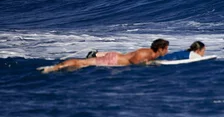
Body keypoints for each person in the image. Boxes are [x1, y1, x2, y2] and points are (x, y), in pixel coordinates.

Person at [39, 39, 169, 73]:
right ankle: (53, 68)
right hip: (114, 60)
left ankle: (94, 54)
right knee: (82, 63)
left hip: (116, 58)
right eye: (166, 49)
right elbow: (134, 62)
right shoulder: (145, 53)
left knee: (82, 64)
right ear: (160, 48)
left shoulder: (151, 54)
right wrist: (146, 65)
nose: (167, 51)